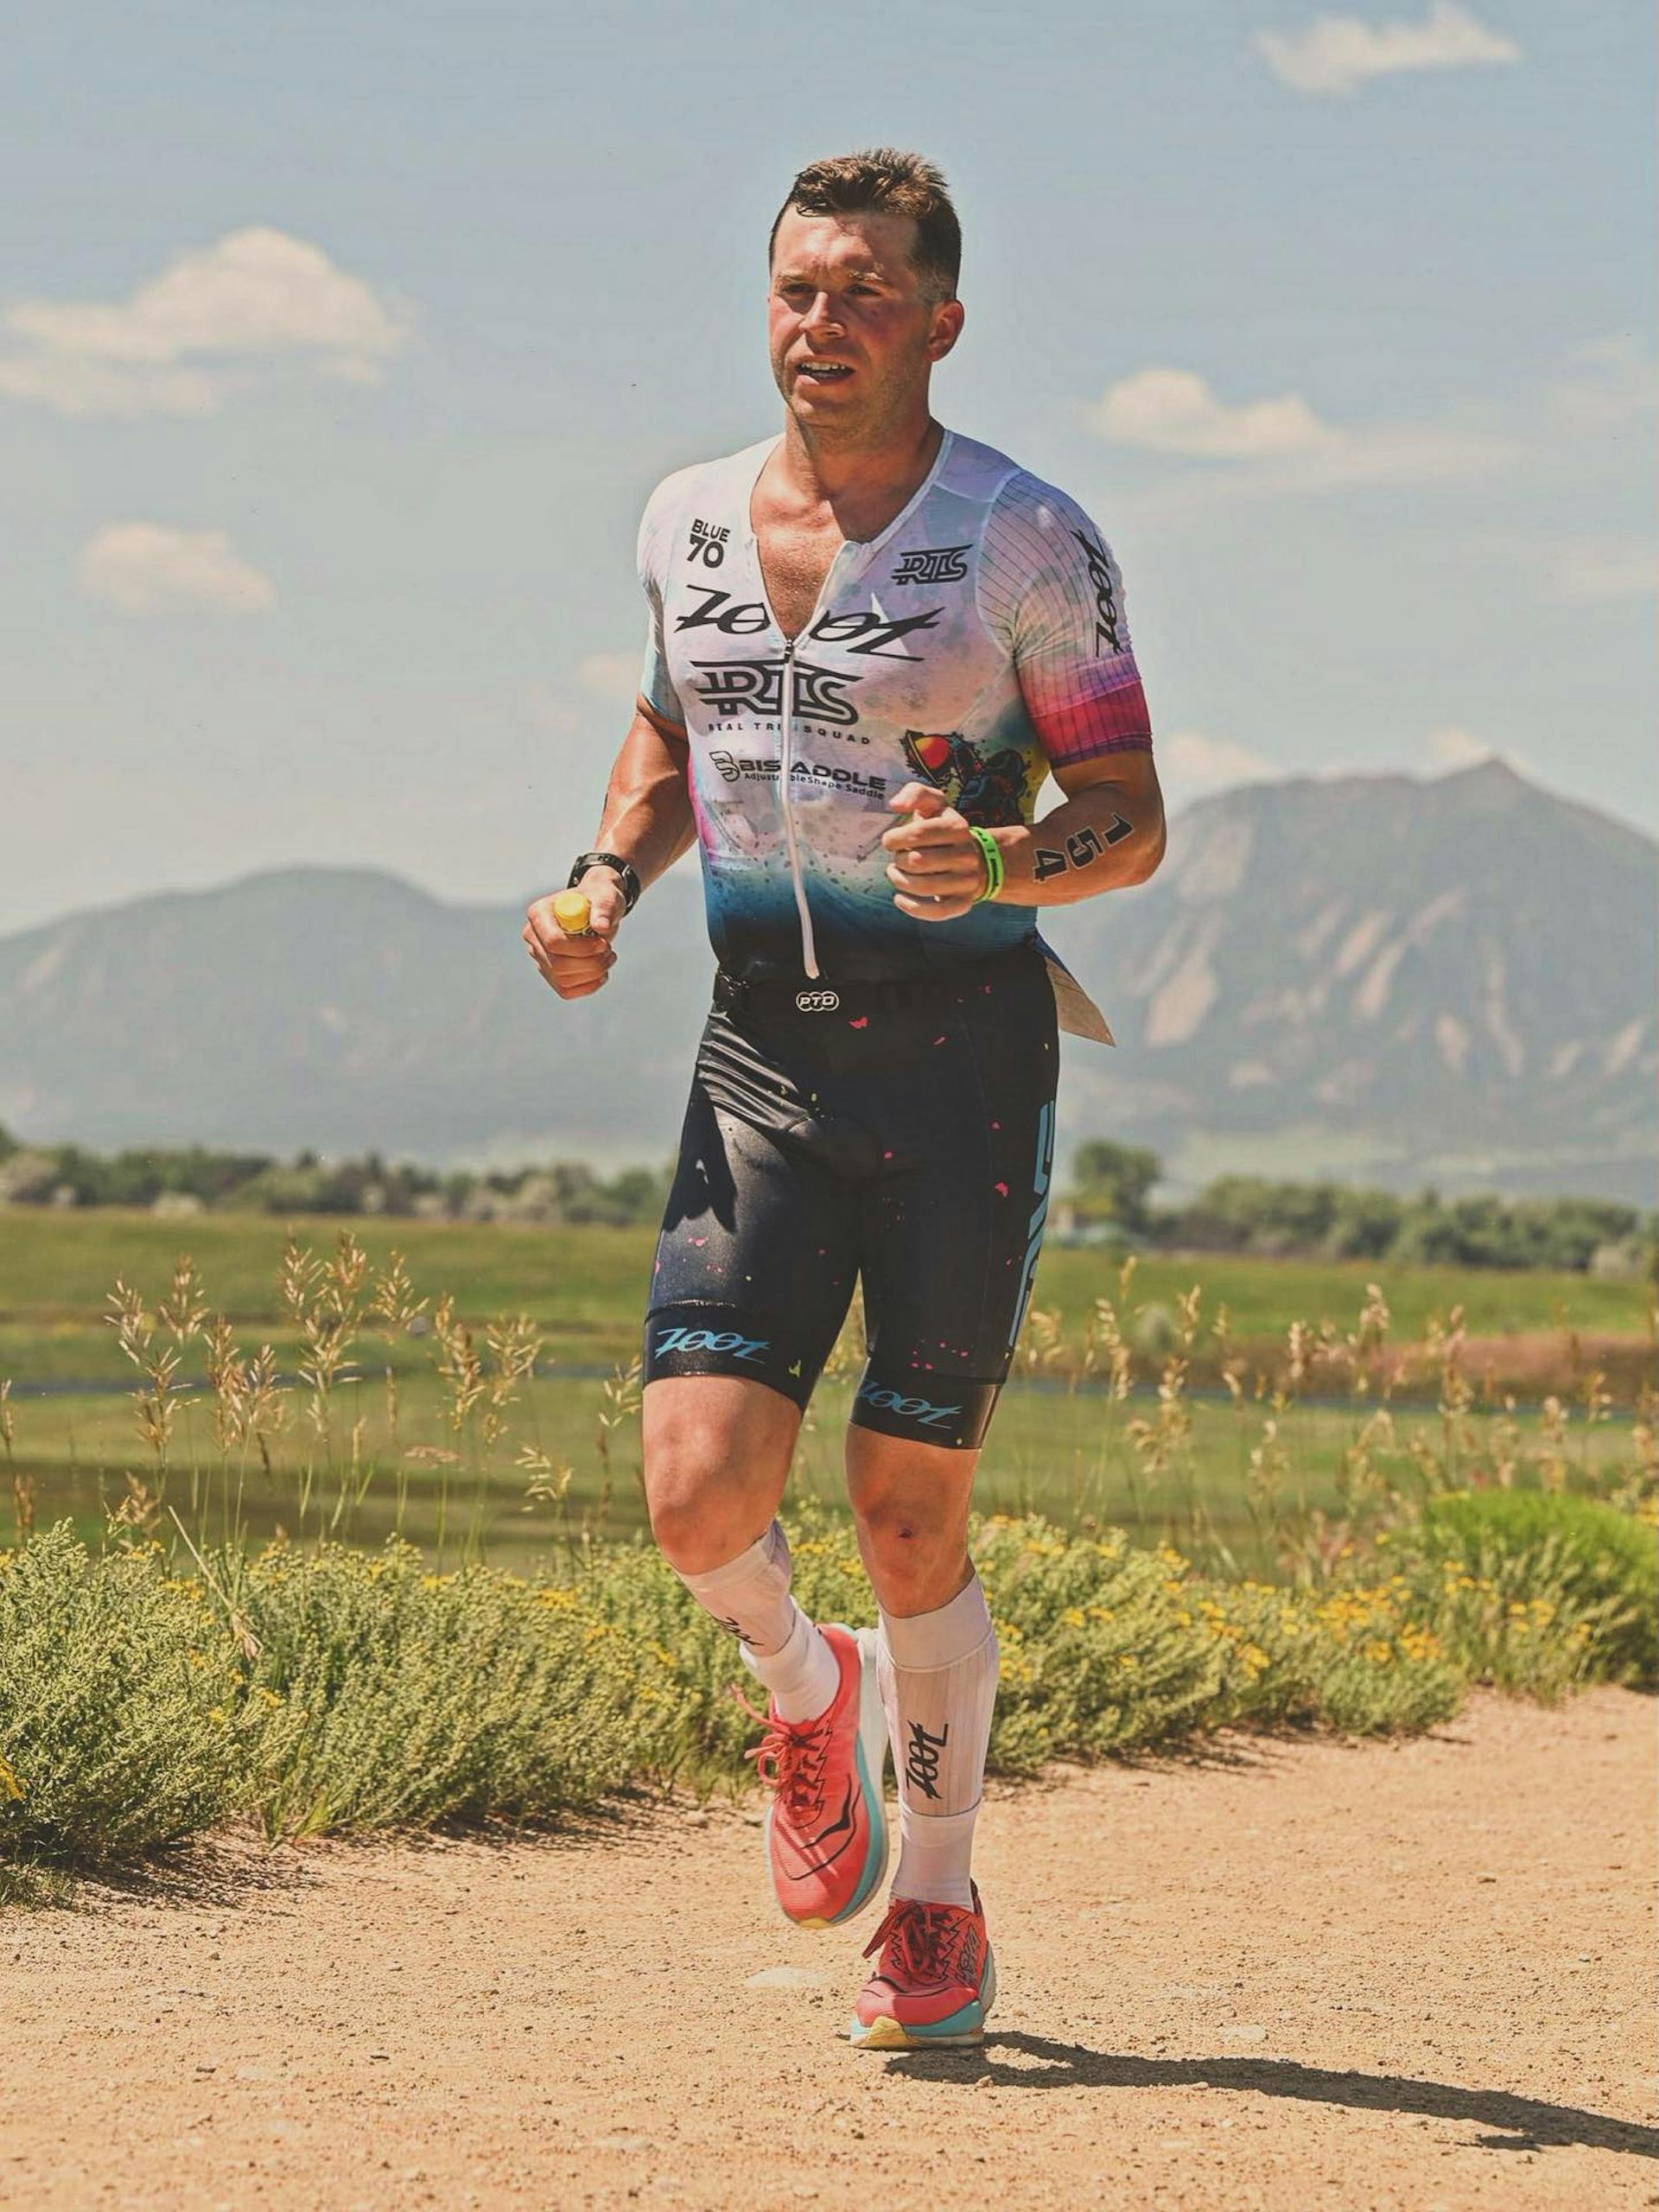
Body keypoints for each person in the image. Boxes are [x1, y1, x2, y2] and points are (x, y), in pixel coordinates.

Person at [523, 149, 1165, 2050]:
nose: (824, 322)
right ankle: (815, 1697)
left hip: (964, 1067)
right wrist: (605, 881)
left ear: (940, 322)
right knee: (694, 1491)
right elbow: (670, 726)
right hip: (762, 1057)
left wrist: (1007, 864)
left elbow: (1129, 813)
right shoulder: (687, 517)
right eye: (800, 288)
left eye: (866, 292)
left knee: (906, 1514)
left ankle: (938, 1900)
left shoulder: (1024, 536)